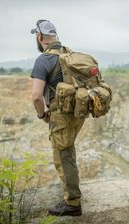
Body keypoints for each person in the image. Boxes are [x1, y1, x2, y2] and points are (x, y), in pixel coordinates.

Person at [30, 19, 84, 216]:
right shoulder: (68, 53)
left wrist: (42, 115)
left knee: (63, 156)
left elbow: (36, 96)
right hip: (77, 111)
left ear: (39, 37)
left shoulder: (43, 60)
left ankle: (72, 203)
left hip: (60, 115)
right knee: (68, 151)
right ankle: (73, 193)